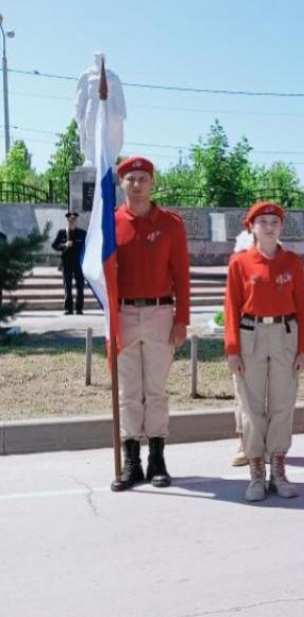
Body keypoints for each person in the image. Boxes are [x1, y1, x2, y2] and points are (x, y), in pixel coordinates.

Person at [110, 156, 190, 492]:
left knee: (155, 390)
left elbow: (181, 275)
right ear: (122, 183)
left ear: (152, 183)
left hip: (159, 314)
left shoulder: (171, 224)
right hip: (124, 315)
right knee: (129, 392)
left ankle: (157, 459)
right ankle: (132, 462)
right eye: (131, 179)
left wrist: (181, 319)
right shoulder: (110, 223)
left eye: (143, 178)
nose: (137, 184)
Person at [224, 202, 304, 502]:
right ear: (252, 227)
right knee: (251, 405)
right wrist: (233, 349)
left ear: (281, 227)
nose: (270, 227)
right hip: (251, 335)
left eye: (275, 222)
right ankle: (257, 471)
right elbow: (232, 309)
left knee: (282, 404)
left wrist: (303, 349)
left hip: (285, 335)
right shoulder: (240, 263)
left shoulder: (293, 263)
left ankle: (279, 469)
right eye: (263, 222)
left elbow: (302, 308)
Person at [230, 226, 255, 468]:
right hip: (244, 332)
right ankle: (243, 441)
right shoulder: (238, 259)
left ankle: (264, 444)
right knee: (242, 392)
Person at [51, 211, 87, 315]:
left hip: (79, 264)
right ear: (67, 221)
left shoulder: (82, 233)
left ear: (77, 221)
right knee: (68, 286)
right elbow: (54, 245)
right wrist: (64, 245)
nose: (72, 222)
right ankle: (69, 308)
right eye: (70, 220)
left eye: (74, 220)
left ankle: (79, 308)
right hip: (66, 263)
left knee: (80, 286)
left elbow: (88, 247)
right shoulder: (62, 233)